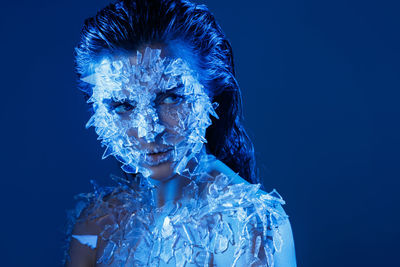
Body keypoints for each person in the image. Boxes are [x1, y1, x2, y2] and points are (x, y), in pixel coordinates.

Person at [65, 0, 297, 266]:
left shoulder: (250, 225)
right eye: (122, 105)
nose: (149, 131)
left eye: (171, 98)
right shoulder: (95, 225)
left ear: (212, 93)